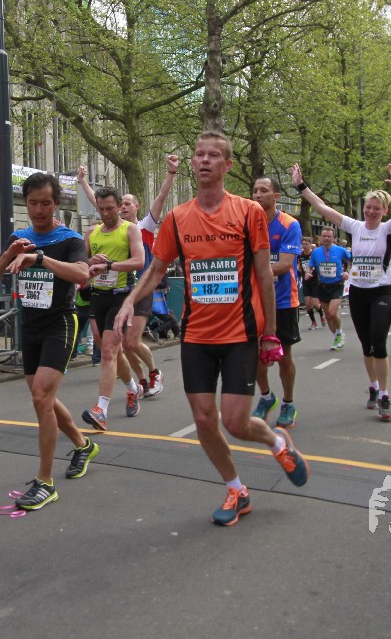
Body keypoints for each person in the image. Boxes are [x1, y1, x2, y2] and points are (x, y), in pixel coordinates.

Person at [113, 132, 308, 526]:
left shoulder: (249, 212)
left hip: (240, 334)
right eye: (199, 154)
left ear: (227, 165)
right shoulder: (177, 218)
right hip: (196, 336)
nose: (204, 160)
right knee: (204, 420)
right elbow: (156, 269)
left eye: (213, 155)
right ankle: (236, 489)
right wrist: (130, 300)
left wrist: (270, 333)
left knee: (235, 422)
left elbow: (264, 276)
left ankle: (276, 441)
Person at [0, 172, 97, 511]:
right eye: (32, 203)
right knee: (42, 398)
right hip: (30, 327)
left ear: (56, 203)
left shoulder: (69, 239)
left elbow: (82, 274)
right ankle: (82, 444)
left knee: (40, 397)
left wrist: (40, 258)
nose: (38, 210)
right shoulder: (20, 237)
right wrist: (10, 254)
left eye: (45, 203)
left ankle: (45, 482)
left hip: (59, 324)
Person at [292, 162, 391, 421]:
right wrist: (301, 186)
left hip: (382, 291)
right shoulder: (355, 226)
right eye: (368, 207)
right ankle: (373, 386)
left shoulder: (389, 228)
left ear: (384, 211)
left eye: (376, 208)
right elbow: (323, 208)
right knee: (367, 345)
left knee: (379, 342)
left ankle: (385, 394)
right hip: (358, 292)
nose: (371, 211)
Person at [77, 157, 178, 398]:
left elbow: (161, 197)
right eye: (119, 204)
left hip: (142, 288)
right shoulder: (106, 228)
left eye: (126, 204)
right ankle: (141, 380)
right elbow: (98, 202)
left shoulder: (144, 226)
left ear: (136, 207)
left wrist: (171, 173)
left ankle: (154, 373)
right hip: (117, 291)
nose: (122, 207)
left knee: (131, 342)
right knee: (122, 344)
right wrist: (82, 182)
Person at [78, 186, 145, 429]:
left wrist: (109, 266)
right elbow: (79, 264)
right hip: (97, 297)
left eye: (110, 208)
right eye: (101, 209)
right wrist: (90, 262)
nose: (106, 213)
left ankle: (101, 410)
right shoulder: (92, 232)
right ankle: (133, 388)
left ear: (119, 206)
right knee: (114, 352)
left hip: (121, 297)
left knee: (107, 351)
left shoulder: (130, 230)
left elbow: (139, 261)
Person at [251, 176, 302, 428]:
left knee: (283, 356)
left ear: (276, 196)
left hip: (283, 301)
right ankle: (266, 396)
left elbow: (284, 264)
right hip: (254, 300)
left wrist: (255, 271)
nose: (258, 195)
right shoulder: (248, 223)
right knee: (253, 355)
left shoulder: (290, 224)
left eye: (264, 190)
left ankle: (288, 402)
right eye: (255, 191)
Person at [307, 227, 350, 350]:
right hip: (322, 286)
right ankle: (336, 336)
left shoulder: (340, 250)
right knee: (328, 315)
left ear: (333, 238)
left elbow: (350, 260)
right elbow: (310, 265)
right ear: (321, 237)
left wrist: (347, 271)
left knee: (332, 312)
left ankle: (340, 332)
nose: (326, 238)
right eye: (324, 236)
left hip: (336, 285)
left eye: (329, 236)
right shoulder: (316, 252)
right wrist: (308, 272)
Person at [299, 238, 321, 329]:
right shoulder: (300, 256)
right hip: (306, 282)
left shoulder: (314, 254)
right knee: (308, 304)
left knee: (316, 304)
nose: (305, 246)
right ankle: (313, 322)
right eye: (303, 244)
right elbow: (299, 267)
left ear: (310, 244)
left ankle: (321, 314)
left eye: (307, 244)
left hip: (315, 281)